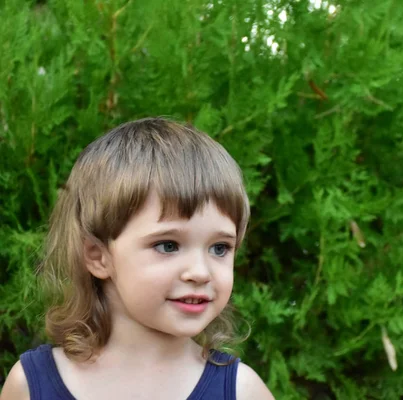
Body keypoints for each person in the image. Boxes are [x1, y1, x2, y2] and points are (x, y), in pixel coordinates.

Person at [0, 118, 274, 400]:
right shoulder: (31, 386)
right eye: (168, 245)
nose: (200, 272)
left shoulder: (243, 392)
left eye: (219, 248)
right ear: (98, 256)